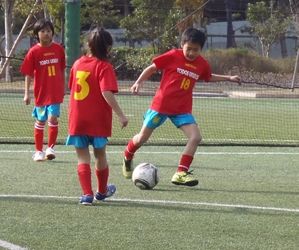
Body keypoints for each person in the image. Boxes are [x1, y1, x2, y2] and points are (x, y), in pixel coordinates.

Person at [122, 28, 241, 187]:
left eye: (196, 50)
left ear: (201, 49)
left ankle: (181, 172)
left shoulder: (202, 64)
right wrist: (137, 83)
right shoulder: (172, 55)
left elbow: (207, 77)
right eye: (188, 49)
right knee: (142, 138)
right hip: (161, 105)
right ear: (182, 45)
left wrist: (229, 78)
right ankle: (128, 156)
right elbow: (152, 68)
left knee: (196, 137)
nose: (191, 53)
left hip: (182, 109)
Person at [65, 28, 128, 204]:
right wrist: (121, 114)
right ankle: (101, 191)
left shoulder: (77, 64)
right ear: (108, 48)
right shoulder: (105, 66)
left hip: (77, 118)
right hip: (98, 119)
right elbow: (106, 91)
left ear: (88, 45)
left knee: (82, 156)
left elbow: (72, 87)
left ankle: (87, 194)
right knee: (100, 154)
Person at [21, 19, 66, 162]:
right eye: (42, 31)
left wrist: (63, 87)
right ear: (36, 34)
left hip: (55, 92)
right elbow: (28, 73)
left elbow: (62, 69)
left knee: (52, 118)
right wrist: (27, 94)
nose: (46, 34)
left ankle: (50, 148)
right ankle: (38, 151)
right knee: (41, 120)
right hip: (41, 93)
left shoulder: (59, 49)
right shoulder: (33, 52)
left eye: (48, 30)